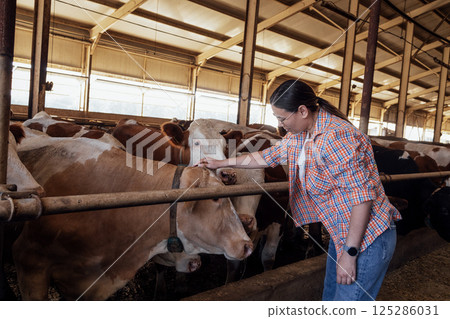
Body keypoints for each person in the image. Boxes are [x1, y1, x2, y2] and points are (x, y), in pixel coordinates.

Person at [196, 79, 401, 301]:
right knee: (331, 298)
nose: (280, 124)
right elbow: (266, 157)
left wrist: (350, 253)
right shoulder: (301, 135)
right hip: (340, 231)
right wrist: (221, 163)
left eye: (282, 118)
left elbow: (362, 199)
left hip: (366, 238)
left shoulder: (337, 137)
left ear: (302, 111)